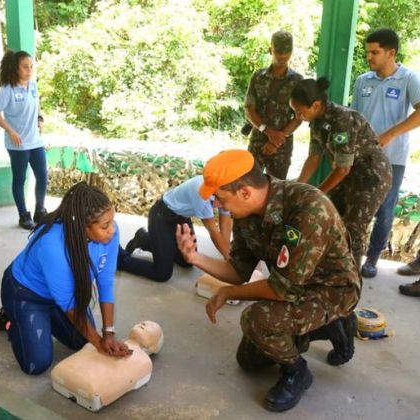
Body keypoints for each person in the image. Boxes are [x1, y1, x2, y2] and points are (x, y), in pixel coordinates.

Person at [176, 149, 360, 412]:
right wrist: (194, 258)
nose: (217, 205)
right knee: (249, 361)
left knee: (256, 320)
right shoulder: (245, 213)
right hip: (293, 286)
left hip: (331, 290)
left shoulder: (308, 209)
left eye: (219, 197)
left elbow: (281, 289)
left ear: (245, 192)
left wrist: (227, 292)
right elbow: (239, 270)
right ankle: (328, 327)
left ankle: (297, 372)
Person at [0, 182, 132, 374]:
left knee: (81, 341)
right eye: (105, 226)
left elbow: (105, 282)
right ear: (82, 227)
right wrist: (99, 344)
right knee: (36, 365)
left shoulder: (110, 234)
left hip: (61, 297)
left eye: (112, 222)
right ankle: (11, 317)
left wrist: (108, 333)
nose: (112, 230)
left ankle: (41, 321)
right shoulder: (53, 245)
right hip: (27, 294)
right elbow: (68, 303)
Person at [290, 77, 392, 268]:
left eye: (299, 112)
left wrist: (317, 193)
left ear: (315, 105)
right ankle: (329, 270)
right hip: (348, 176)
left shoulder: (342, 120)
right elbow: (313, 158)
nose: (297, 116)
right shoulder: (317, 121)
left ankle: (349, 285)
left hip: (370, 177)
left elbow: (342, 168)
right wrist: (299, 187)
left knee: (353, 229)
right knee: (330, 217)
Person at [350, 28, 420, 278]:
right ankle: (349, 256)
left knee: (384, 209)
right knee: (356, 207)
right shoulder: (362, 81)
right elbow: (354, 118)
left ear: (391, 52)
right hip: (362, 158)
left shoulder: (409, 79)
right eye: (367, 52)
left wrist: (391, 134)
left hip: (393, 159)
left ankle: (372, 259)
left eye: (374, 52)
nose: (369, 56)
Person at [116, 175, 232, 282]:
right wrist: (232, 265)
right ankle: (120, 260)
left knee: (187, 259)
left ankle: (145, 240)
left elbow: (225, 223)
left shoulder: (225, 191)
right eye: (218, 201)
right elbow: (213, 231)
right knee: (162, 273)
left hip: (181, 218)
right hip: (162, 217)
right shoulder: (201, 193)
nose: (220, 206)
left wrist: (228, 257)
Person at [0, 50, 47, 229]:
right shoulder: (8, 90)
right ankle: (23, 214)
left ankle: (40, 211)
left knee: (43, 176)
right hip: (18, 144)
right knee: (20, 179)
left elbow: (36, 105)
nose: (29, 70)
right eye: (25, 67)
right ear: (16, 68)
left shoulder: (33, 85)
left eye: (31, 67)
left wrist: (39, 118)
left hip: (35, 140)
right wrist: (10, 131)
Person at [244, 30, 302, 179]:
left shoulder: (297, 81)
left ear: (291, 52)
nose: (282, 56)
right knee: (250, 183)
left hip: (282, 146)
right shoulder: (258, 77)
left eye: (286, 51)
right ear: (271, 50)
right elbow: (249, 108)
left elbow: (299, 116)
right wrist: (268, 131)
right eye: (278, 51)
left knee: (276, 189)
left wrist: (276, 142)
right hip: (258, 141)